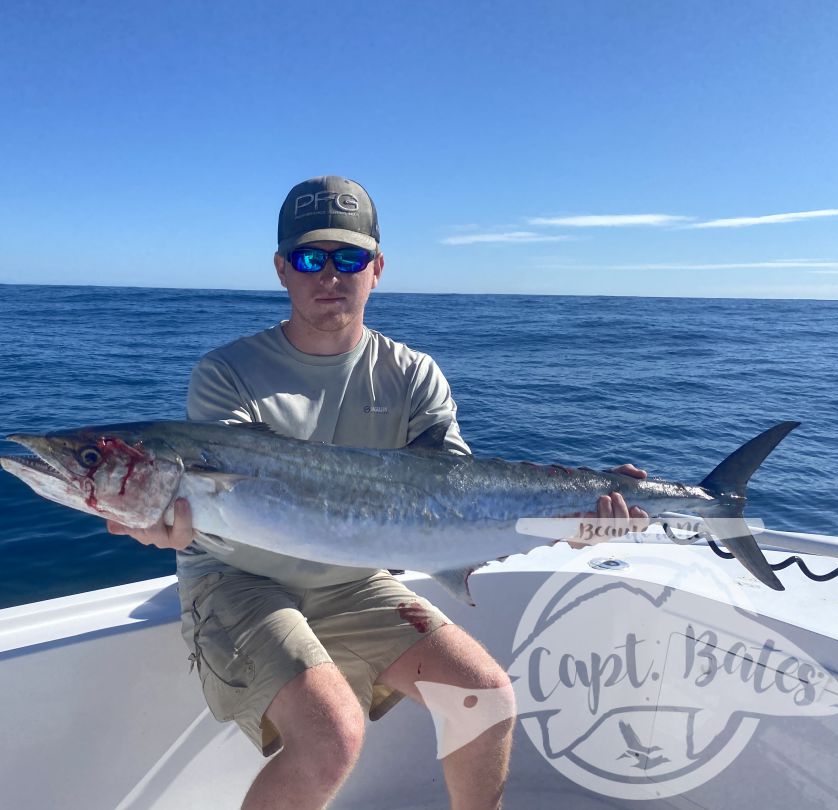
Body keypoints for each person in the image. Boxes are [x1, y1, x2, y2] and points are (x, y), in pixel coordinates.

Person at [110, 176, 646, 810]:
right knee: (332, 737)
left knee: (487, 700)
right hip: (238, 577)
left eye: (350, 257)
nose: (330, 275)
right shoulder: (227, 373)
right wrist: (161, 520)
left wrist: (580, 520)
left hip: (356, 576)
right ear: (283, 269)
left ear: (377, 267)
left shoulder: (413, 373)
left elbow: (456, 498)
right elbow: (209, 492)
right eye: (311, 258)